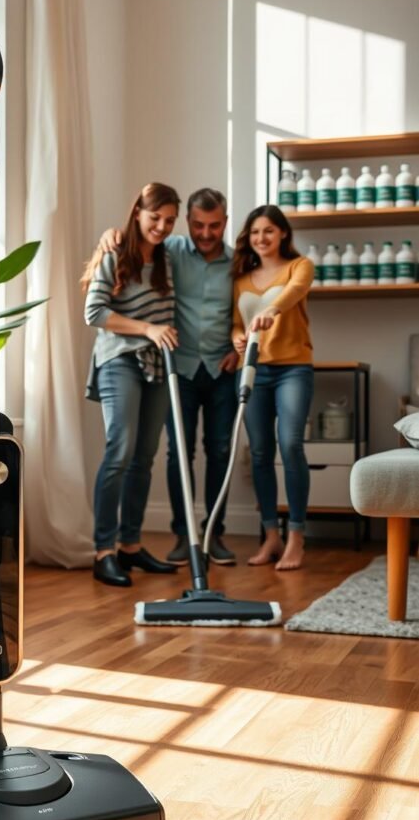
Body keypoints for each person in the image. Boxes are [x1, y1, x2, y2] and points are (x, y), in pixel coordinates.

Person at [99, 188, 238, 566]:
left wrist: (238, 346)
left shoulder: (238, 261)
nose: (206, 233)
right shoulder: (171, 248)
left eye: (214, 226)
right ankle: (181, 535)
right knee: (176, 453)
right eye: (197, 225)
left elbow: (249, 303)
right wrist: (110, 235)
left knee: (219, 451)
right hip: (179, 367)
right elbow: (136, 241)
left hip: (221, 368)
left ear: (225, 223)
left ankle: (213, 534)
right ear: (188, 222)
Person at [82, 182, 181, 587]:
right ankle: (103, 551)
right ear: (138, 211)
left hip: (156, 365)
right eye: (155, 217)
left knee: (144, 457)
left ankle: (130, 546)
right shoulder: (115, 253)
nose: (161, 226)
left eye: (170, 221)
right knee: (119, 451)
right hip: (118, 360)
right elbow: (94, 312)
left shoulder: (166, 260)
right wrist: (147, 329)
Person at [231, 204, 314, 571]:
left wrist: (271, 310)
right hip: (254, 371)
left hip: (293, 368)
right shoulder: (240, 279)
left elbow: (293, 293)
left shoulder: (300, 266)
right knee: (260, 453)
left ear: (282, 233)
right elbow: (237, 322)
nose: (261, 238)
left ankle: (296, 536)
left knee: (291, 444)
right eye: (254, 233)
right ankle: (271, 536)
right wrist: (236, 338)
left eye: (268, 230)